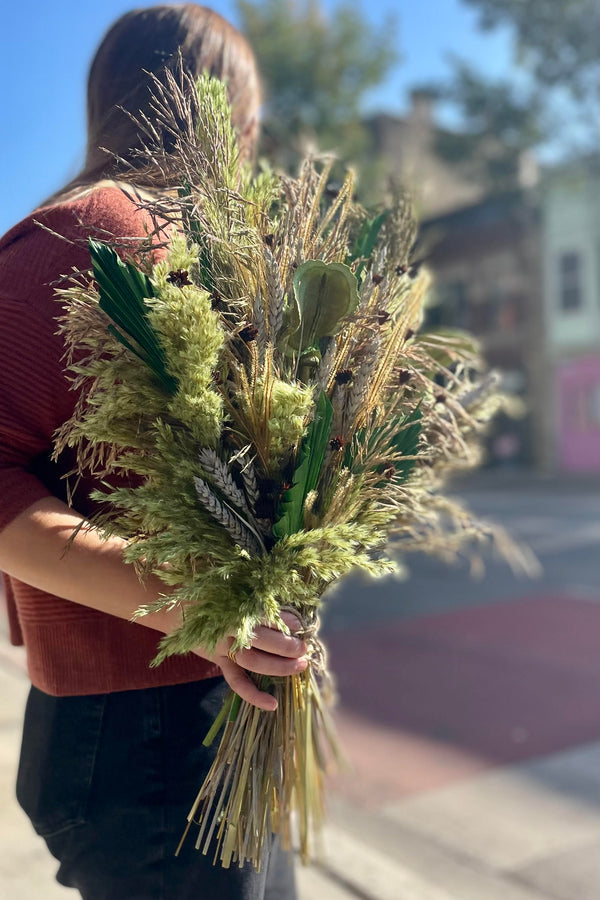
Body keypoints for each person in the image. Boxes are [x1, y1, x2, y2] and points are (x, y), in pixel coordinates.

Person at [0, 6, 302, 899]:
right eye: (250, 123)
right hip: (141, 734)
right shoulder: (86, 239)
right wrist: (208, 607)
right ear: (230, 119)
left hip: (194, 718)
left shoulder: (229, 255)